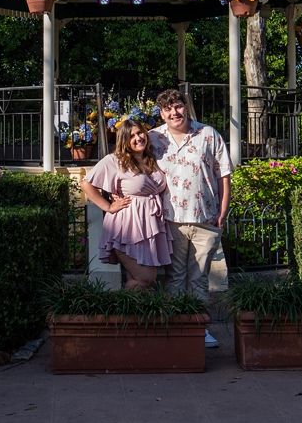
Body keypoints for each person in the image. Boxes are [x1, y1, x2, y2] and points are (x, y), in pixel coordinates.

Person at [149, 88, 232, 347]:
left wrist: (223, 211)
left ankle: (199, 328)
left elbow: (224, 175)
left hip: (206, 217)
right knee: (174, 276)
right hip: (170, 219)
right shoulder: (153, 139)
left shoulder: (208, 134)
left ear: (186, 106)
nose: (174, 113)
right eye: (167, 109)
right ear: (161, 114)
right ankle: (175, 326)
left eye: (178, 106)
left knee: (198, 276)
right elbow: (129, 166)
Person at [81, 118, 173, 289]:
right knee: (146, 278)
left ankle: (129, 314)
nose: (138, 138)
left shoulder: (152, 158)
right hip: (127, 226)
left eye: (140, 133)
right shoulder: (114, 160)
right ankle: (117, 311)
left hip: (150, 225)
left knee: (137, 281)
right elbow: (86, 183)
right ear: (124, 140)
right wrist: (108, 206)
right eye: (132, 136)